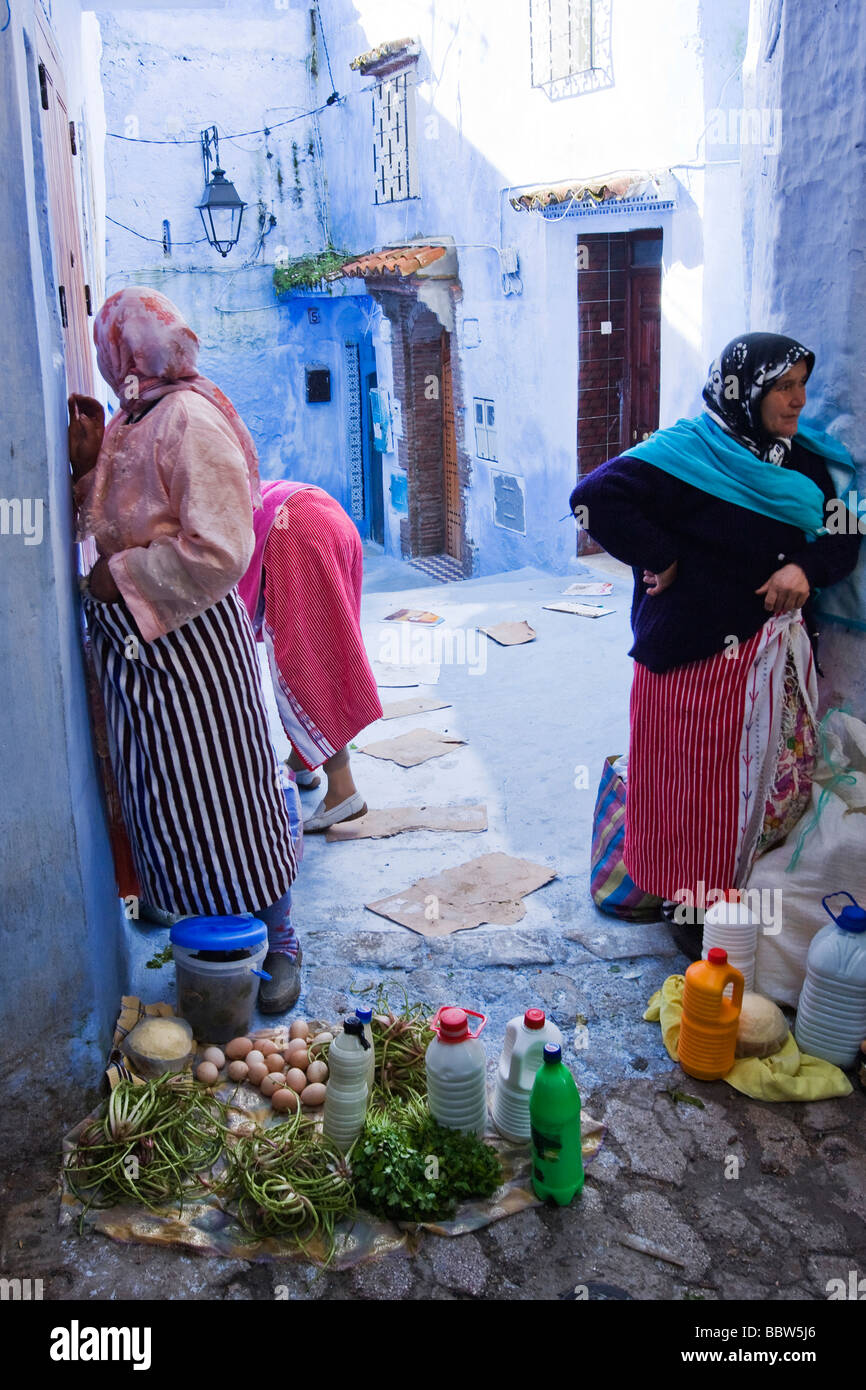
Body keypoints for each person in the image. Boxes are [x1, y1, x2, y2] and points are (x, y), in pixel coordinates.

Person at [570, 332, 861, 956]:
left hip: (767, 663)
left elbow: (843, 533)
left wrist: (805, 570)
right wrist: (662, 556)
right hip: (687, 658)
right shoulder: (686, 453)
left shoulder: (802, 462)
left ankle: (729, 903)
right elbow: (594, 499)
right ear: (746, 391)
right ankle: (684, 904)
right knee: (683, 788)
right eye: (784, 387)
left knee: (752, 792)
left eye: (802, 386)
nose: (798, 400)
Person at [70, 287, 302, 1013]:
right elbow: (108, 516)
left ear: (129, 353)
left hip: (194, 644)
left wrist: (123, 575)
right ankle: (212, 944)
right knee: (174, 802)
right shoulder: (133, 419)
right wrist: (83, 463)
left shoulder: (189, 418)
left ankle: (281, 942)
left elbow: (224, 549)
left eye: (113, 347)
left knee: (233, 796)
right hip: (144, 652)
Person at [237, 480, 382, 831]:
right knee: (329, 650)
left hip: (295, 534)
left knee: (303, 663)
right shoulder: (227, 484)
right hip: (328, 515)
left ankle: (342, 788)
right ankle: (301, 760)